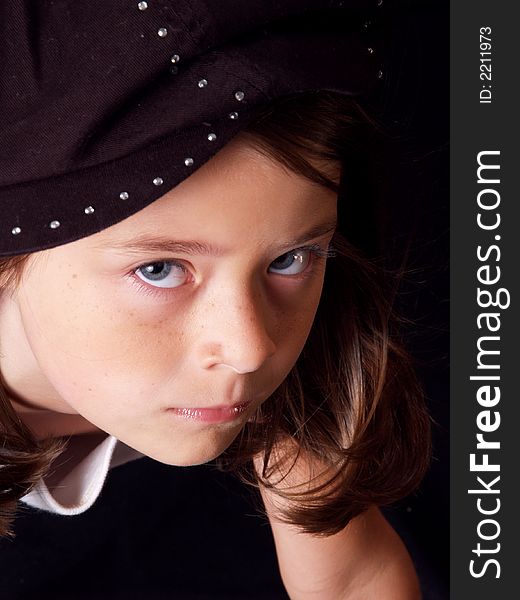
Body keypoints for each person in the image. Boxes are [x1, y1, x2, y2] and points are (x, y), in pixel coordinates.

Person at [0, 2, 432, 598]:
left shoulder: (290, 393)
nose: (250, 348)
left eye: (290, 258)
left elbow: (356, 581)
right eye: (159, 269)